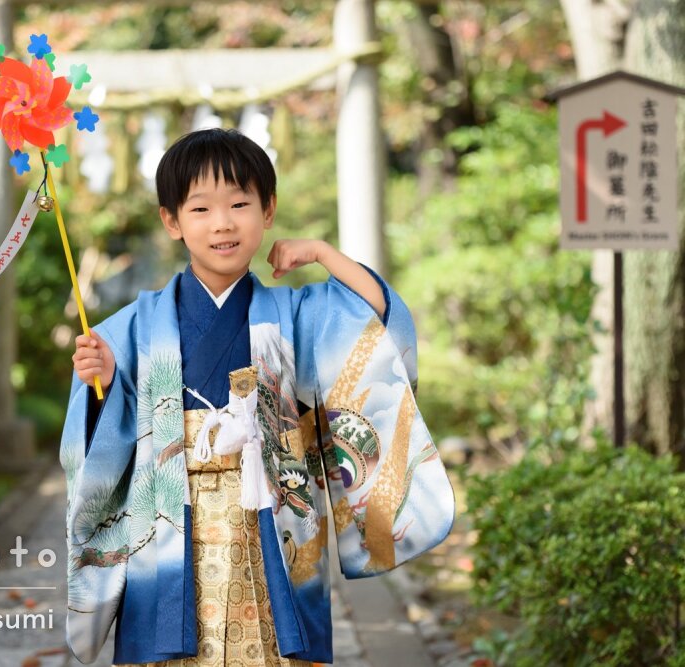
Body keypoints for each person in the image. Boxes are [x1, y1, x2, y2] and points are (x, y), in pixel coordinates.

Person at [60, 128, 454, 666]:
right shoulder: (132, 327)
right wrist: (105, 382)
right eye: (200, 208)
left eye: (240, 203)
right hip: (171, 526)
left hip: (273, 515)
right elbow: (106, 439)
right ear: (172, 221)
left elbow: (379, 324)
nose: (222, 222)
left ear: (267, 211)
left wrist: (321, 253)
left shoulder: (294, 315)